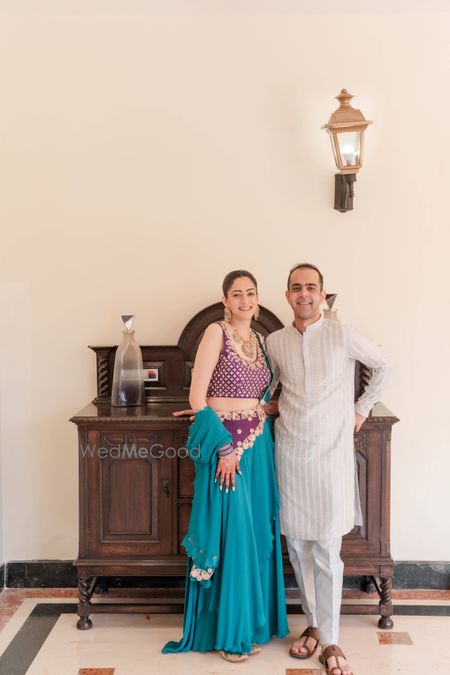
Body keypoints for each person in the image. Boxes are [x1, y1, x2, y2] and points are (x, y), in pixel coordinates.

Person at [265, 263, 391, 675]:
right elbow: (270, 385)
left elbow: (383, 364)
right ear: (287, 295)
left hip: (331, 454)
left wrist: (361, 408)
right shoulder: (275, 341)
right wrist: (263, 407)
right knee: (298, 548)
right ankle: (314, 626)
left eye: (311, 287)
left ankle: (332, 639)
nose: (303, 294)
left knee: (326, 550)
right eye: (296, 288)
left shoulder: (342, 333)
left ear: (322, 294)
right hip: (290, 452)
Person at [163, 270, 288, 662]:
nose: (245, 300)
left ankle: (251, 625)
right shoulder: (215, 332)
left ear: (258, 298)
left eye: (251, 293)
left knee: (255, 532)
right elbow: (197, 398)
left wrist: (271, 409)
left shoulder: (262, 341)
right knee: (230, 535)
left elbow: (261, 398)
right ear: (225, 300)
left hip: (258, 446)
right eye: (237, 294)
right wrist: (223, 447)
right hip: (226, 449)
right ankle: (228, 634)